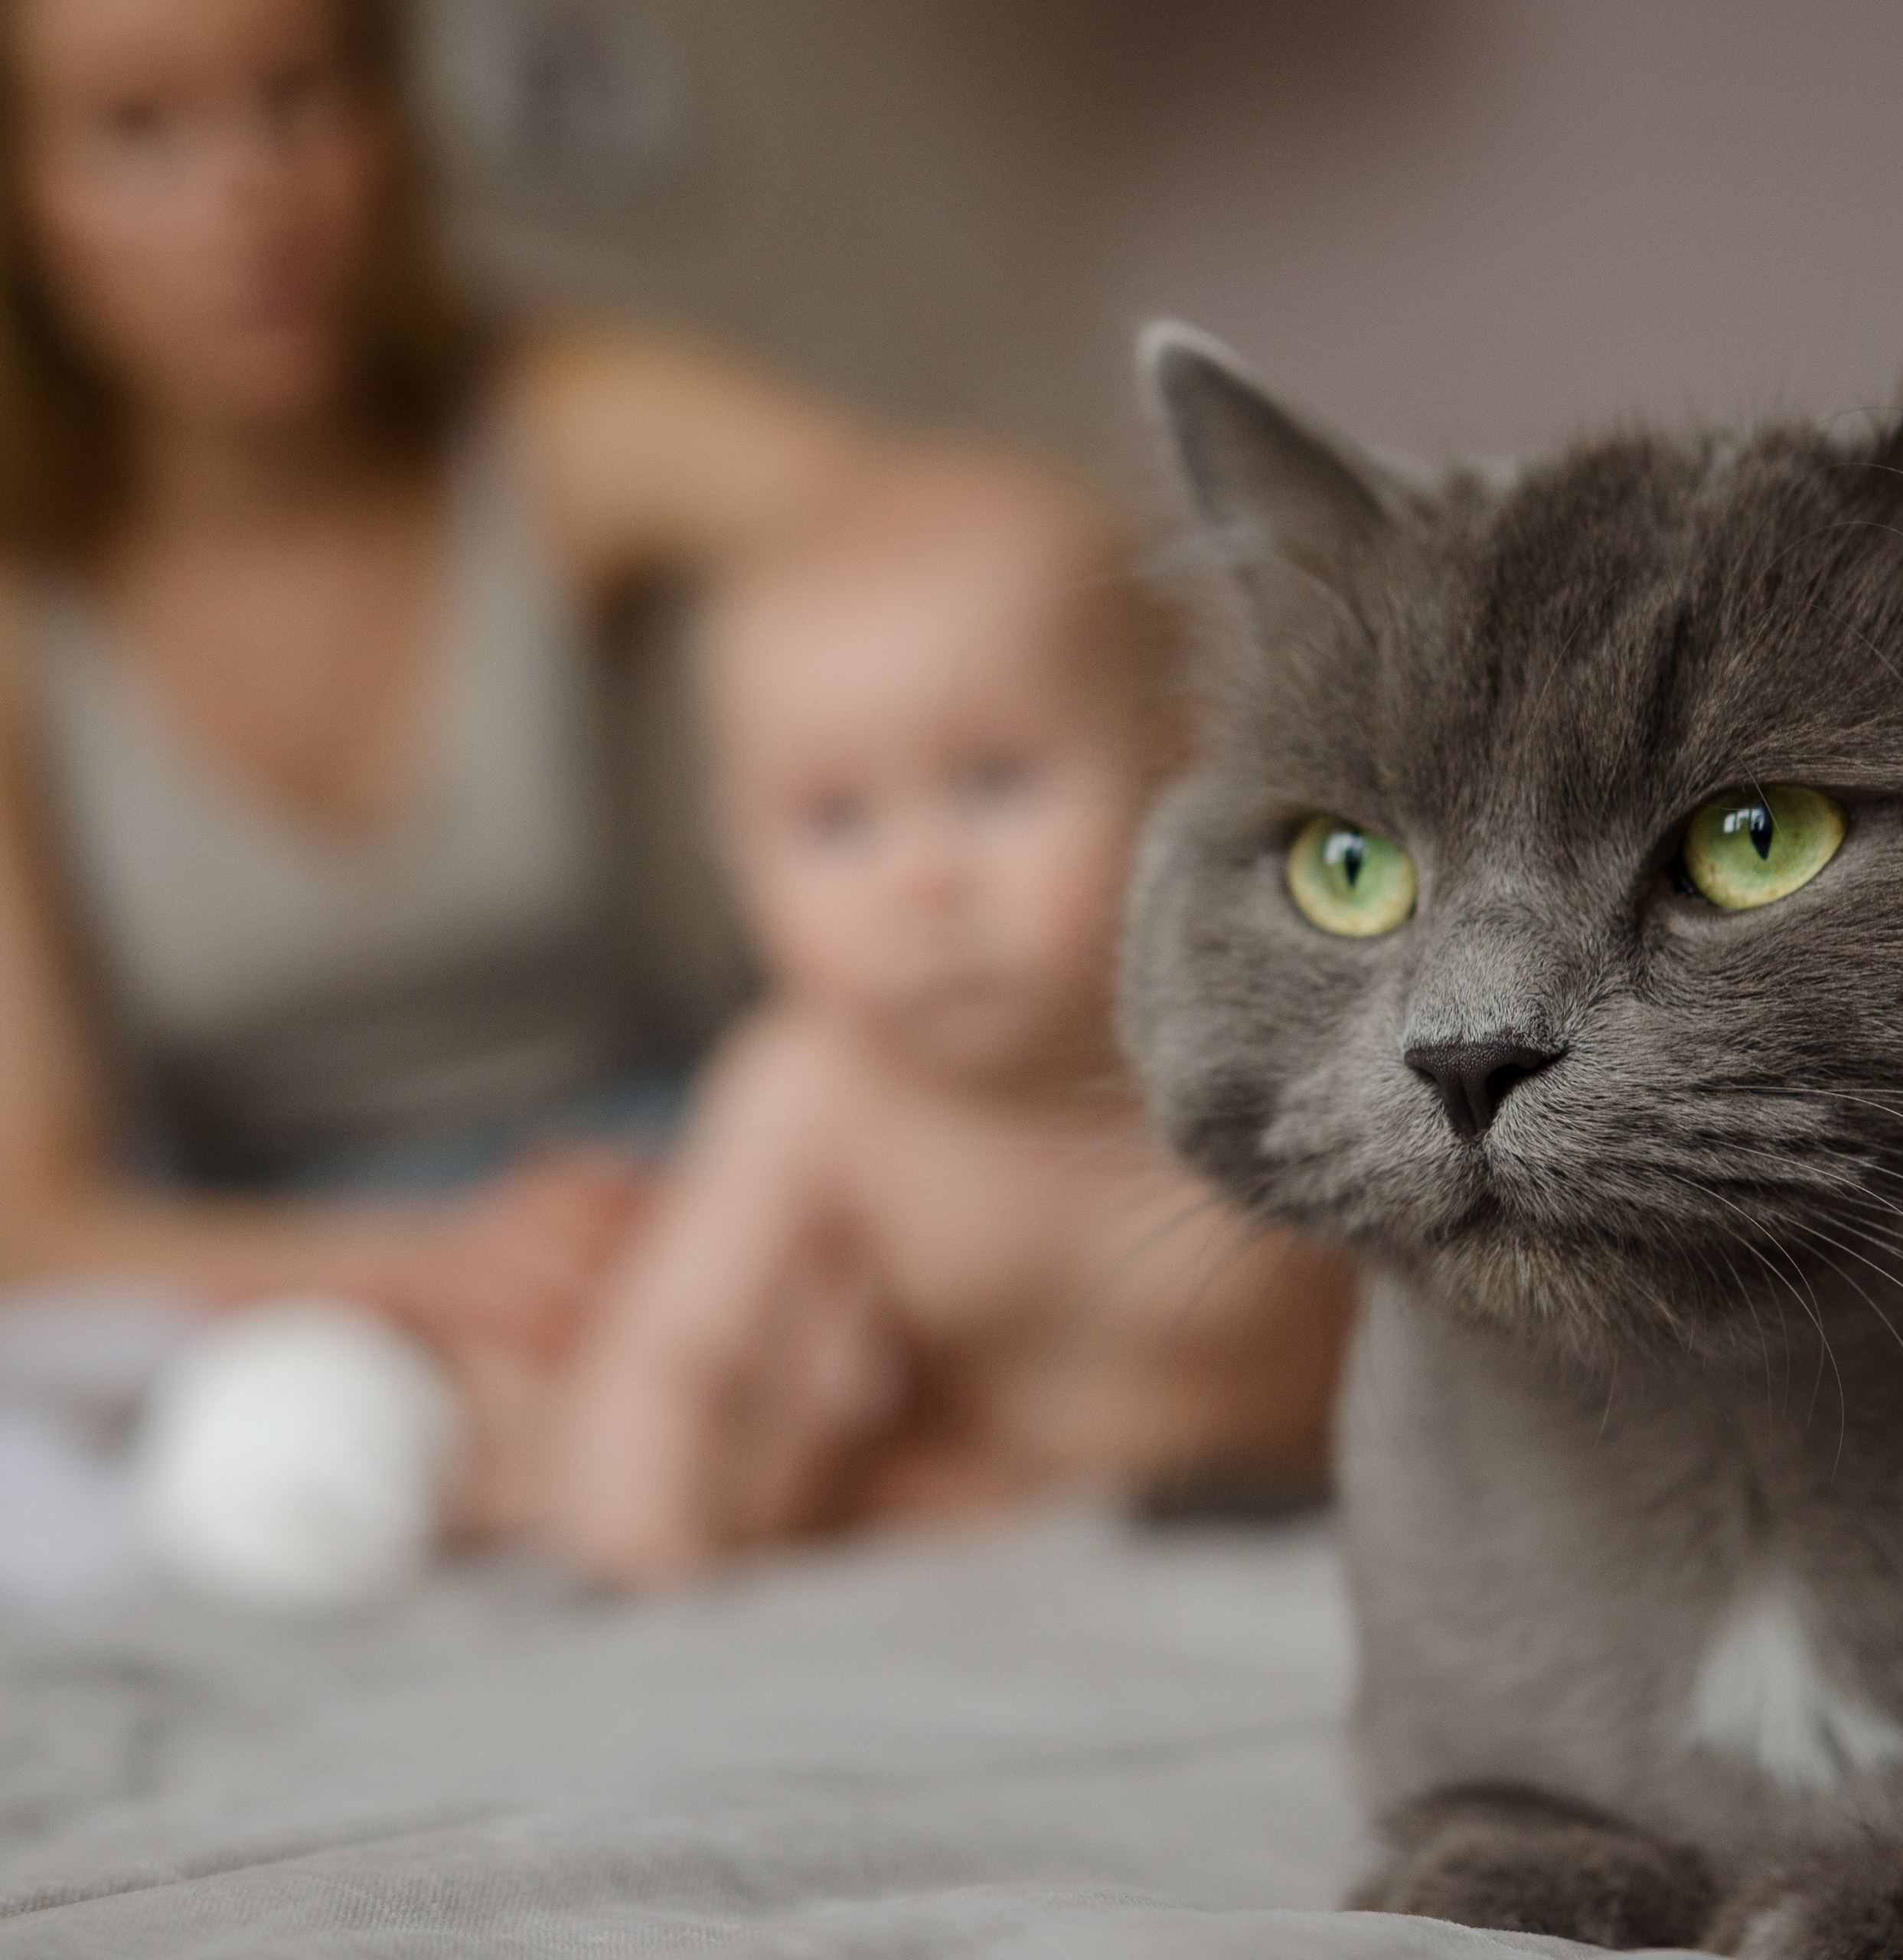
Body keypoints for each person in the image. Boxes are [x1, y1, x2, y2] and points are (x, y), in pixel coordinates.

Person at [0, 0, 875, 1367]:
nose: (251, 191)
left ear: (391, 113)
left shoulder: (554, 417)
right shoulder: (22, 612)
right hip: (257, 1266)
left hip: (623, 1167)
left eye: (297, 94)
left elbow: (999, 562)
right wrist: (425, 1271)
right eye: (138, 132)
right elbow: (32, 1227)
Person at [546, 449, 1353, 1583]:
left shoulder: (1268, 1021)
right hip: (1015, 1526)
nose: (921, 882)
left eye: (994, 783)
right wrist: (638, 1556)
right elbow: (679, 1357)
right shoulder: (808, 1086)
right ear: (729, 854)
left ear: (1179, 757)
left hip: (1310, 1497)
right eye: (836, 822)